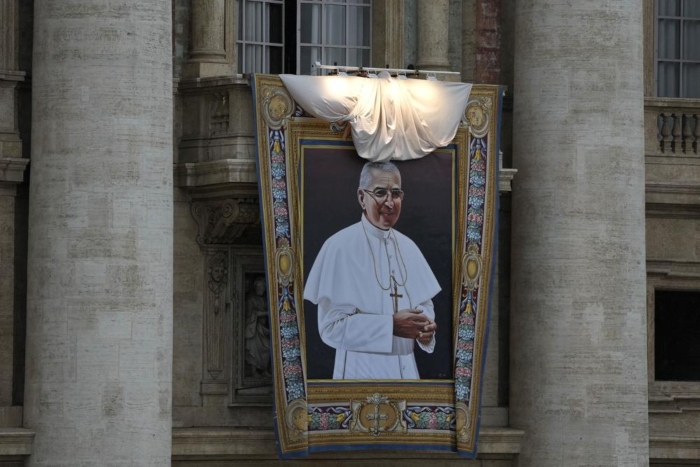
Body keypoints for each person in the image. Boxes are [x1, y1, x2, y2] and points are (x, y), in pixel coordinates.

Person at [304, 161, 440, 379]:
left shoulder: (409, 247)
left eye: (395, 194)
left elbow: (425, 305)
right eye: (380, 193)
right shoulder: (339, 247)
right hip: (359, 374)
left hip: (408, 375)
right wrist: (390, 326)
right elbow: (330, 328)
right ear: (361, 197)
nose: (389, 202)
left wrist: (425, 332)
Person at [245, 276, 271, 377]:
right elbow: (252, 313)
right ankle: (254, 371)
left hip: (263, 329)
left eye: (262, 287)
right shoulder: (251, 299)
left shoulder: (264, 299)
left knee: (268, 348)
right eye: (258, 287)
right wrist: (266, 313)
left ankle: (264, 370)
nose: (260, 289)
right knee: (253, 349)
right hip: (253, 328)